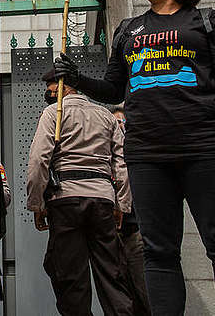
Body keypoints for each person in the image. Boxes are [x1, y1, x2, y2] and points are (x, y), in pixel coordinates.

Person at [51, 0, 215, 316]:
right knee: (159, 251)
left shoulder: (208, 21)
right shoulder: (128, 29)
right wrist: (77, 78)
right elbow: (115, 89)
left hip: (205, 148)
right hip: (147, 154)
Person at [26, 69, 133, 316]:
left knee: (71, 280)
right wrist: (122, 204)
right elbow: (122, 164)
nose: (48, 95)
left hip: (66, 200)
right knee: (112, 276)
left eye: (51, 90)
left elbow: (38, 160)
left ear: (63, 88)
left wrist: (37, 203)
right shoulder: (105, 116)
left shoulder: (53, 113)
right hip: (102, 199)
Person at [110, 106, 150, 316]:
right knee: (125, 300)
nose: (121, 128)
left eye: (123, 123)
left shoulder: (140, 155)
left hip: (137, 235)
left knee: (146, 293)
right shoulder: (107, 159)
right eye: (116, 124)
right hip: (114, 237)